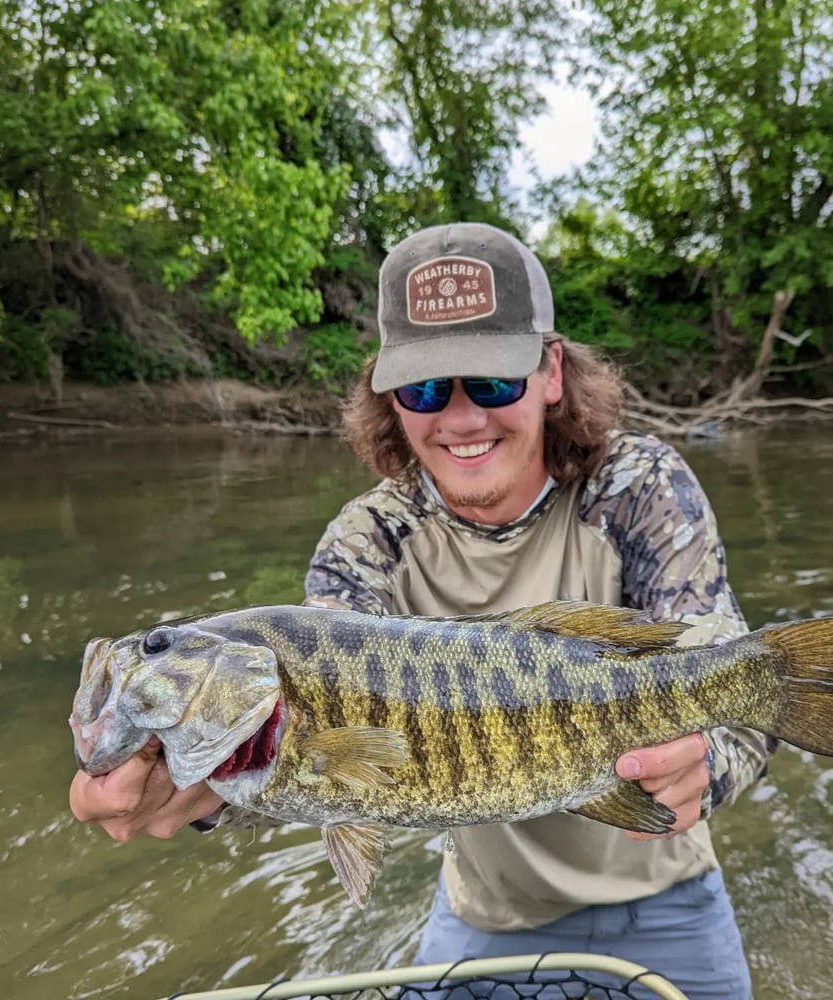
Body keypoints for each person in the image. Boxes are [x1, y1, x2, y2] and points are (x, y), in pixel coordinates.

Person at [69, 222, 773, 1000]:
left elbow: (741, 689)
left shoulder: (639, 488)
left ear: (550, 371)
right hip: (486, 917)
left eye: (494, 383)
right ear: (390, 397)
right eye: (428, 389)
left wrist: (702, 770)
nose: (463, 418)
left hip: (668, 901)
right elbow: (332, 769)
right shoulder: (366, 542)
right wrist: (200, 794)